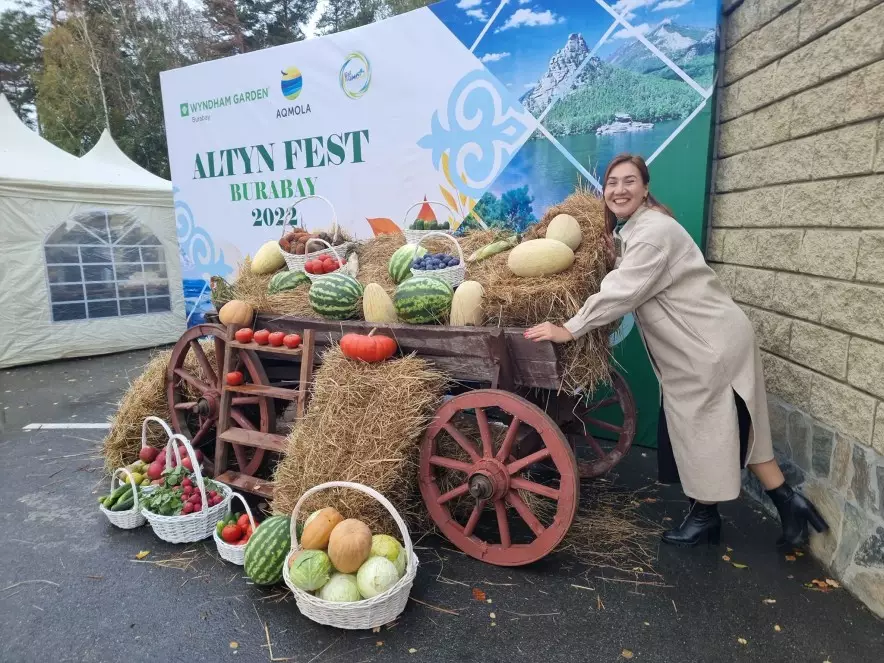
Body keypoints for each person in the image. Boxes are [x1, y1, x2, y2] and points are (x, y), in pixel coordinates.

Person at [525, 153, 828, 548]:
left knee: (700, 429)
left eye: (629, 181)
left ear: (646, 187)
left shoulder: (652, 233)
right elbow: (637, 271)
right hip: (712, 336)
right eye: (612, 183)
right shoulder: (643, 227)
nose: (619, 190)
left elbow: (622, 291)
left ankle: (704, 518)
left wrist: (569, 328)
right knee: (735, 426)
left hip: (706, 344)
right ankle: (790, 505)